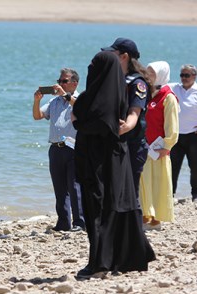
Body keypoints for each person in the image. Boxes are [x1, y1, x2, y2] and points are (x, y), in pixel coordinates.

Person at [72, 51, 155, 279]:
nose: (91, 69)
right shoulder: (119, 96)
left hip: (96, 166)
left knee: (97, 211)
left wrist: (78, 120)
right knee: (114, 209)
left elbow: (88, 121)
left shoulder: (93, 99)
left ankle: (99, 263)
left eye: (94, 65)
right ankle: (117, 259)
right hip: (117, 161)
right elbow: (113, 124)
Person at [32, 68, 85, 232]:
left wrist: (65, 95)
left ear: (74, 83)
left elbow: (84, 109)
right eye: (59, 81)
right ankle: (63, 223)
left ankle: (79, 222)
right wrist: (36, 100)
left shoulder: (80, 98)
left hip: (74, 148)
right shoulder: (54, 102)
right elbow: (37, 116)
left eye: (64, 81)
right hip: (56, 148)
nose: (60, 84)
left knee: (74, 186)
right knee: (60, 188)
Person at [102, 38, 151, 199]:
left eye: (113, 53)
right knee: (112, 190)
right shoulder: (115, 79)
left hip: (132, 144)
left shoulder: (137, 83)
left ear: (124, 56)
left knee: (129, 194)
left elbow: (134, 115)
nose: (109, 57)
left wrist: (123, 128)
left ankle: (132, 224)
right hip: (115, 141)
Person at [139, 62, 179, 230]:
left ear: (161, 75)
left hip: (158, 149)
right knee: (142, 182)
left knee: (157, 184)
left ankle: (155, 219)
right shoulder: (145, 94)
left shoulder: (168, 97)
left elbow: (172, 125)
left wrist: (167, 145)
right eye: (146, 72)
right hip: (142, 146)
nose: (148, 76)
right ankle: (144, 216)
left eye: (152, 73)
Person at [168, 64, 197, 202]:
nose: (184, 78)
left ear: (194, 76)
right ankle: (170, 195)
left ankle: (195, 195)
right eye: (182, 75)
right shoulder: (174, 88)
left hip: (193, 136)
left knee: (195, 168)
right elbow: (156, 86)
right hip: (176, 135)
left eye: (187, 75)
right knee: (172, 167)